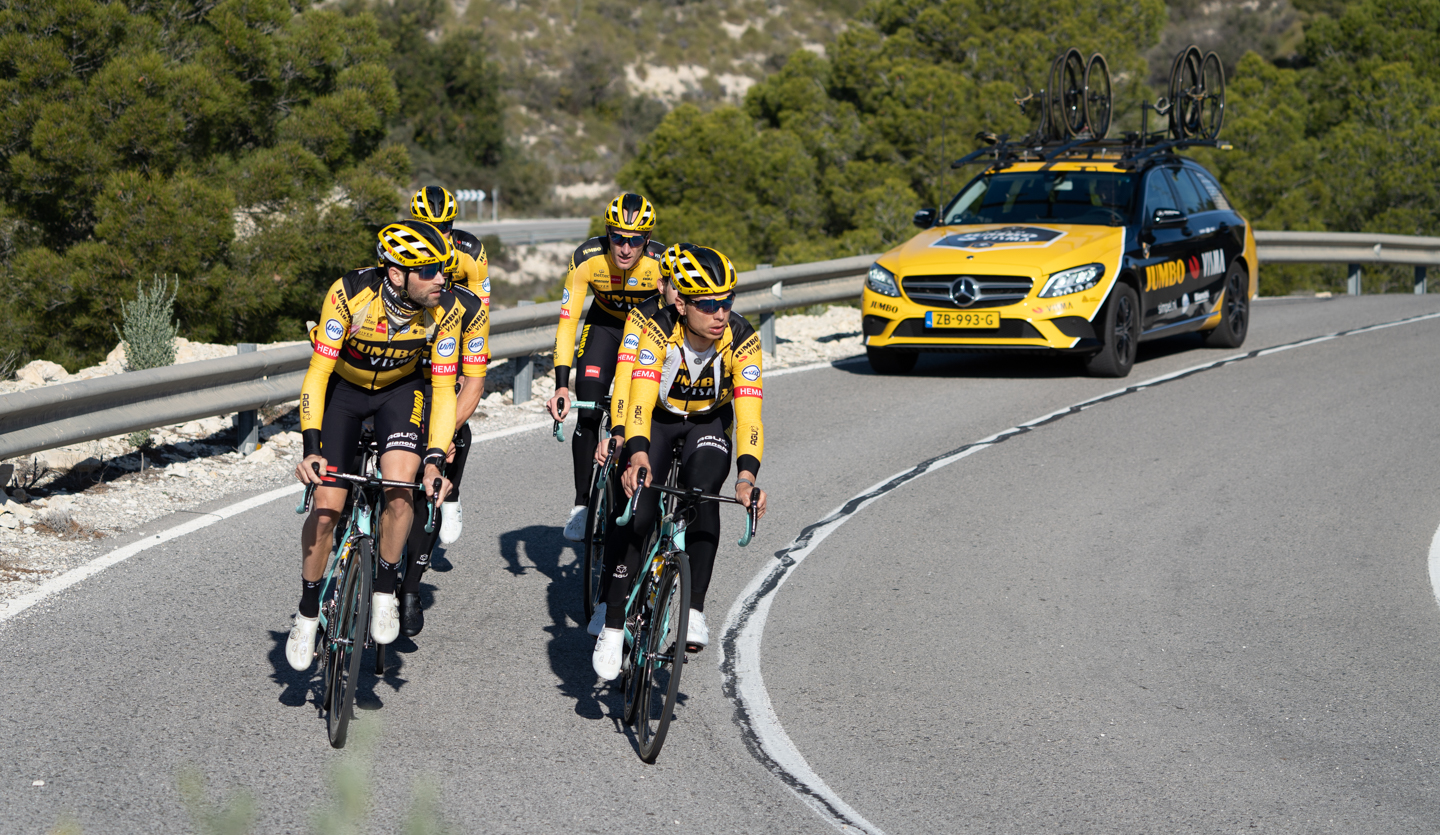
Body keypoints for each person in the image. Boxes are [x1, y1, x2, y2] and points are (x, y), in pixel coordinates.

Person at [285, 220, 461, 671]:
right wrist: (310, 448)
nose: (441, 278)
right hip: (343, 392)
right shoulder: (349, 294)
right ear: (396, 273)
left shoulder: (445, 311)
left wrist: (435, 459)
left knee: (401, 486)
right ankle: (307, 612)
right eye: (429, 271)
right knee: (327, 505)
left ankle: (384, 589)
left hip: (400, 392)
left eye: (443, 268)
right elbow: (318, 375)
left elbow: (442, 391)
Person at [592, 245, 768, 680]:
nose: (720, 313)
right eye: (708, 304)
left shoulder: (742, 338)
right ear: (683, 303)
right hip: (654, 420)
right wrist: (633, 454)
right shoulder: (654, 327)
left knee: (704, 491)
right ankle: (613, 623)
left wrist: (746, 477)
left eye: (727, 301)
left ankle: (693, 609)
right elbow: (636, 398)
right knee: (639, 508)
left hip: (707, 422)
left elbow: (749, 415)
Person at [545, 193, 665, 541]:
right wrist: (561, 385)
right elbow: (568, 323)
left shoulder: (660, 263)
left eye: (635, 240)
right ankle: (582, 504)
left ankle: (626, 486)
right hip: (604, 327)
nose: (625, 248)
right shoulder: (587, 259)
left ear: (647, 239)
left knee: (631, 414)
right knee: (587, 412)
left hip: (645, 331)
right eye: (617, 238)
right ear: (607, 234)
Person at [584, 243, 684, 636]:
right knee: (627, 509)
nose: (683, 298)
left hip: (686, 421)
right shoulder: (643, 318)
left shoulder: (705, 322)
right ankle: (609, 596)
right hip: (644, 415)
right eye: (677, 288)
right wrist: (619, 432)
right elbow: (625, 377)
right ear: (663, 287)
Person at [398, 246, 491, 636]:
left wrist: (444, 434)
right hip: (394, 388)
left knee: (447, 457)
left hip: (439, 396)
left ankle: (411, 587)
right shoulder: (390, 296)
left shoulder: (468, 307)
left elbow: (473, 383)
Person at [411, 186, 490, 541]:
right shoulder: (404, 247)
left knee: (455, 413)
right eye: (428, 226)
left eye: (445, 227)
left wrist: (463, 370)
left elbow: (481, 312)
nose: (437, 235)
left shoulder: (470, 253)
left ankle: (451, 491)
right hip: (416, 328)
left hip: (457, 332)